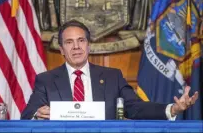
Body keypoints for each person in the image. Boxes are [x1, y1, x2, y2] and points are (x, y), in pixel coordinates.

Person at [21, 20, 198, 120]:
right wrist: (37, 113)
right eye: (69, 42)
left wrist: (172, 109)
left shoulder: (113, 77)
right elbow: (27, 115)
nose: (76, 47)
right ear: (61, 49)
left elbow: (135, 108)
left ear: (89, 46)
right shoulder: (46, 80)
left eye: (81, 41)